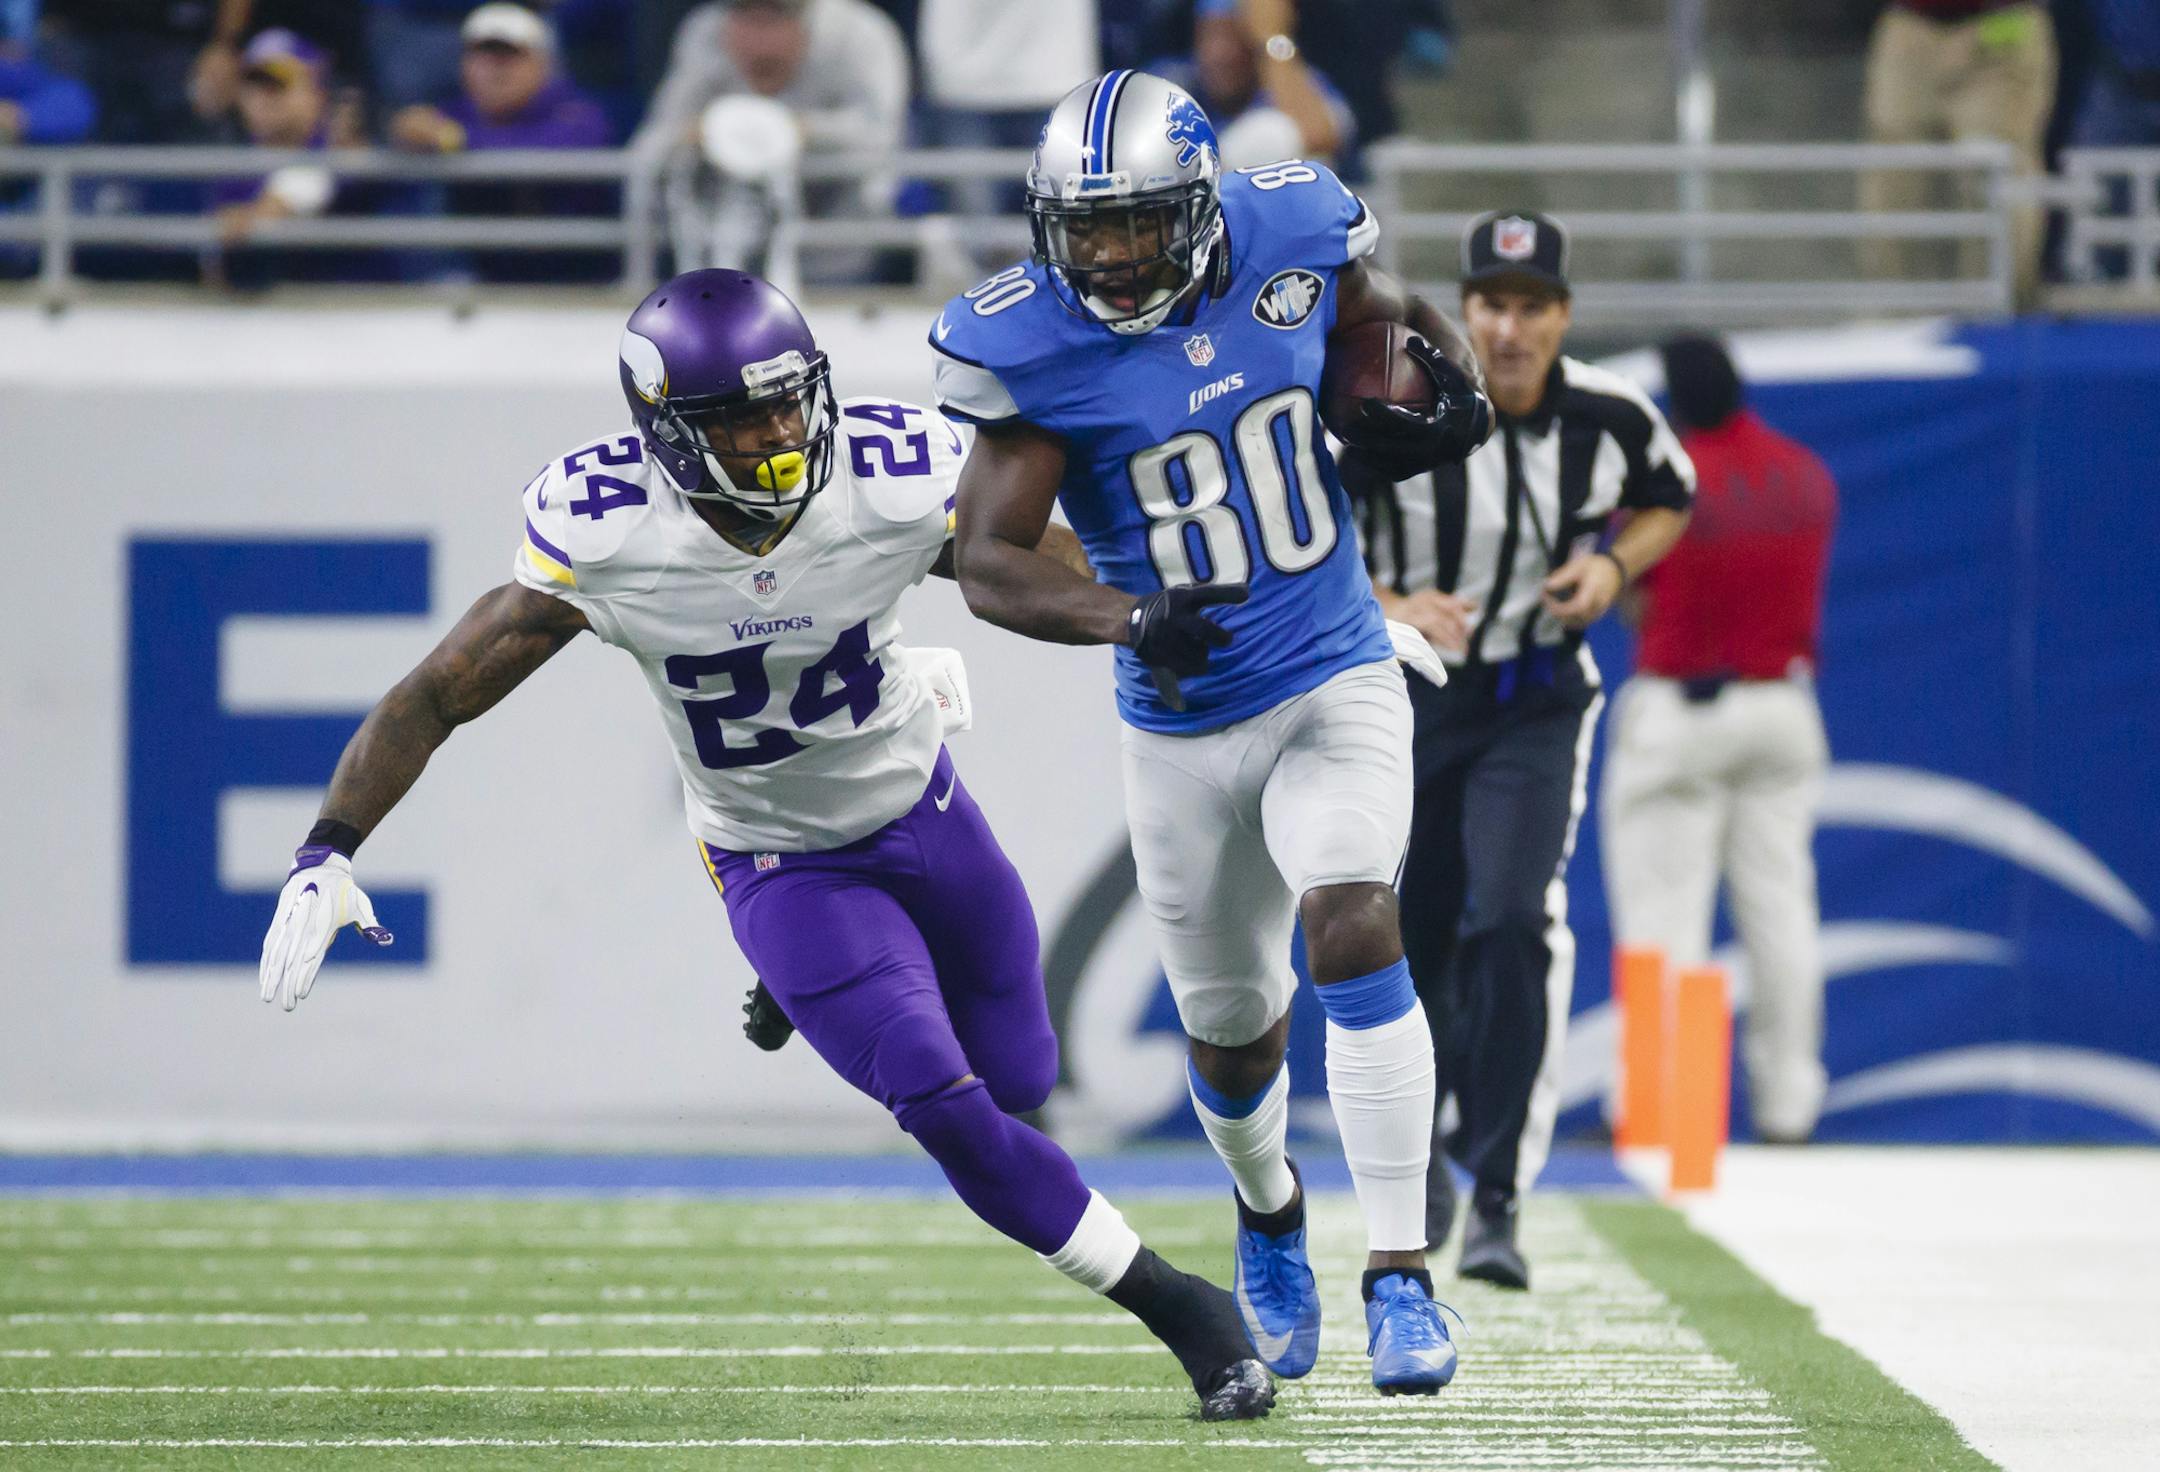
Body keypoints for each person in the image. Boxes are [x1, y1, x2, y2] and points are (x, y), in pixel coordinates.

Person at [254, 268, 1277, 1425]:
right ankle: (1189, 1313)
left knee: (1023, 1077)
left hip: (924, 809)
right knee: (949, 1110)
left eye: (790, 401)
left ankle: (806, 982)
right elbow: (438, 693)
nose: (780, 433)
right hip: (777, 855)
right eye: (741, 417)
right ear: (664, 431)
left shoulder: (889, 476)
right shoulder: (609, 532)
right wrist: (328, 847)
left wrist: (1239, 636)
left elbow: (1040, 562)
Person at [936, 70, 1492, 1395]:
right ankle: (1270, 1213)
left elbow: (1375, 316)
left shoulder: (1294, 224)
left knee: (1353, 916)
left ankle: (1403, 1275)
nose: (1116, 255)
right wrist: (1127, 619)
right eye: (1092, 227)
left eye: (1140, 224)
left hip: (1334, 669)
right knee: (1233, 1036)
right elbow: (987, 558)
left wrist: (1433, 377)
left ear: (1198, 207)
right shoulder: (1031, 343)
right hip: (1182, 723)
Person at [1349, 212, 1694, 1290]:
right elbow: (1308, 534)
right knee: (1420, 935)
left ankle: (1495, 1189)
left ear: (1563, 317)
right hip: (1415, 698)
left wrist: (1613, 571)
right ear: (1465, 310)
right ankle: (1434, 1147)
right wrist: (1396, 599)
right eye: (1492, 304)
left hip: (1535, 693)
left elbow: (1670, 494)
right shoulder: (1397, 403)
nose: (1509, 326)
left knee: (1510, 918)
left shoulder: (1607, 413)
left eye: (1532, 305)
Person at [1601, 336, 1837, 1146]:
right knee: (1783, 917)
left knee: (1666, 922)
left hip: (1684, 712)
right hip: (1782, 707)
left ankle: (1662, 1113)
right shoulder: (1807, 473)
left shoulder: (1671, 485)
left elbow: (1635, 597)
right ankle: (1790, 1108)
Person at [631, 0, 908, 282]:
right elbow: (652, 143)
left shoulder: (860, 34)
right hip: (720, 253)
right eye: (748, 19)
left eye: (775, 19)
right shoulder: (707, 33)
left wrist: (799, 130)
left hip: (835, 250)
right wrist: (698, 132)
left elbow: (881, 138)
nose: (761, 43)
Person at [387, 3, 615, 283]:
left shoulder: (577, 111)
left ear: (542, 64)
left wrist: (452, 139)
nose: (495, 69)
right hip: (482, 279)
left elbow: (541, 154)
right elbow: (411, 127)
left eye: (510, 55)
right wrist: (404, 129)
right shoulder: (455, 112)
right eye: (482, 55)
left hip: (576, 283)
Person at [1860, 0, 2057, 304]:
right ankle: (1894, 323)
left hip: (2001, 27)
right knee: (1896, 181)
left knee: (1992, 176)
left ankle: (1997, 321)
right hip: (1911, 25)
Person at [1150, 0, 1354, 170]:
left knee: (1273, 131)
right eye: (1210, 34)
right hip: (1188, 213)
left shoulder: (1288, 81)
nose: (1220, 54)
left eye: (1235, 37)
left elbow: (1318, 138)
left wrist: (1273, 38)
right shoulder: (1174, 81)